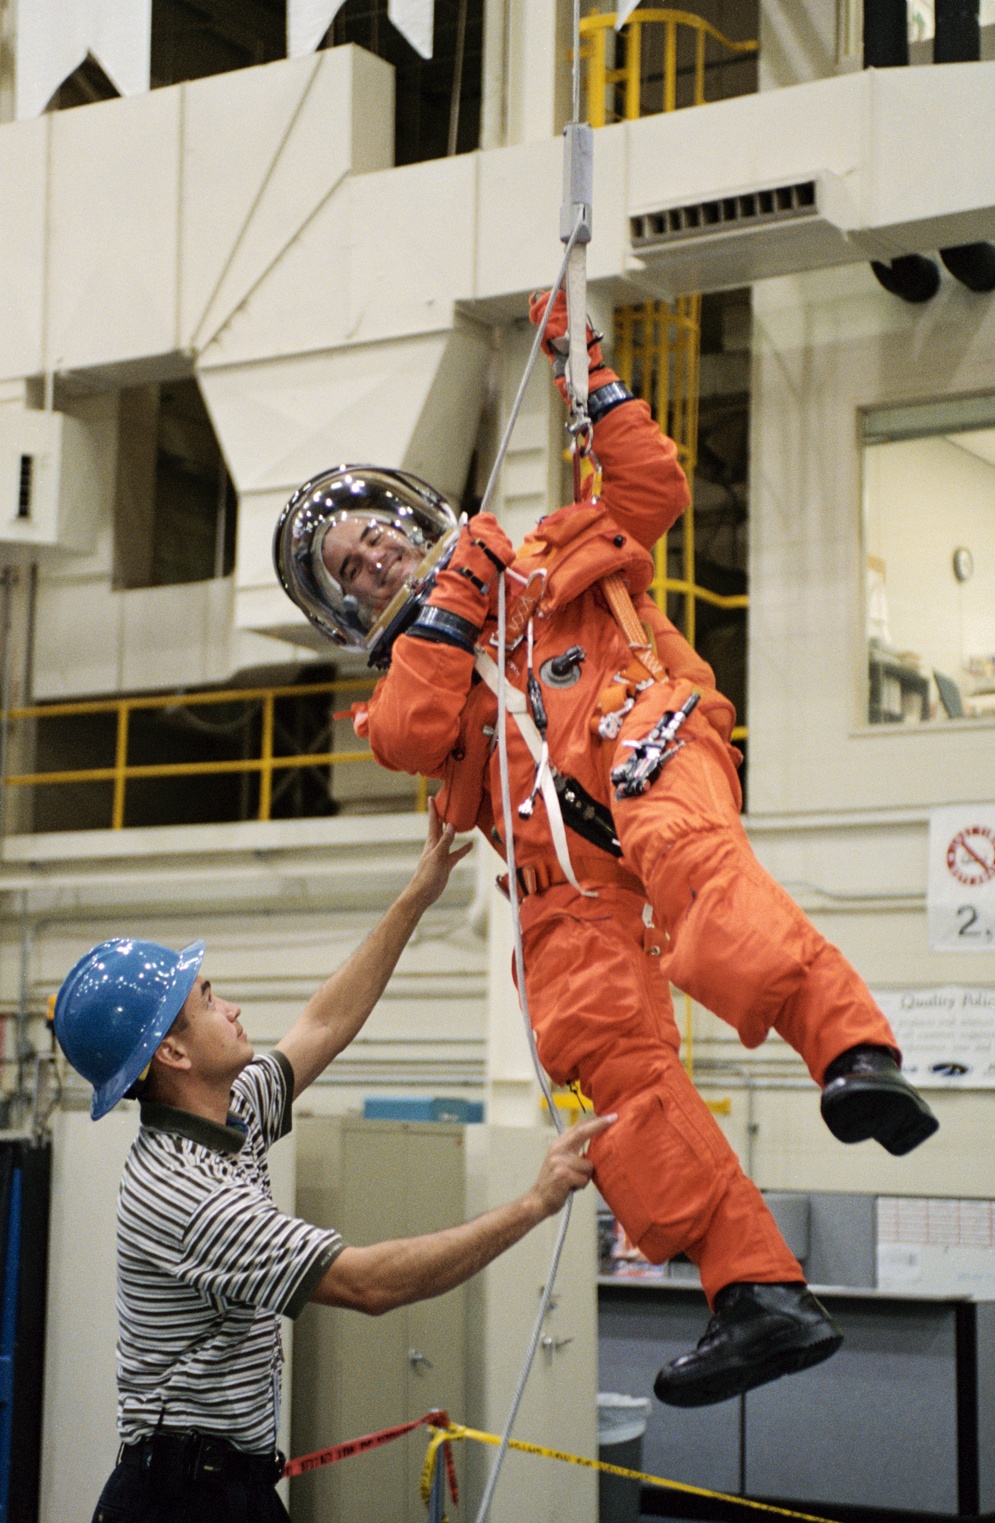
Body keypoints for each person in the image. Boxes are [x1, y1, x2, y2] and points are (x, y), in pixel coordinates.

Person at [272, 290, 939, 1410]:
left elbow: (649, 487)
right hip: (563, 881)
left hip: (647, 746)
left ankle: (853, 1056)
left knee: (694, 871)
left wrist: (586, 367)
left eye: (375, 531)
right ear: (347, 607)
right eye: (350, 565)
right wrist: (451, 605)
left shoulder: (546, 552)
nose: (373, 555)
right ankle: (754, 1288)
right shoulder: (406, 689)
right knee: (600, 1051)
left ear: (414, 511)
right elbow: (415, 733)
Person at [53, 809, 611, 1523]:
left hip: (226, 1483)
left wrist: (418, 892)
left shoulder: (232, 1110)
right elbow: (369, 1282)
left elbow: (323, 1024)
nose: (233, 1006)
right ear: (172, 1054)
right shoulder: (185, 1192)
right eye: (208, 999)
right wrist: (532, 1203)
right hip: (183, 1499)